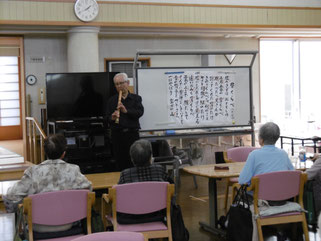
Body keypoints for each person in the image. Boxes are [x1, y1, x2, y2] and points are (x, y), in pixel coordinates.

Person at [3, 134, 92, 233]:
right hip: (67, 224)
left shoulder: (33, 172)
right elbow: (88, 191)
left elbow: (11, 197)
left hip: (38, 227)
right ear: (63, 153)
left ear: (45, 152)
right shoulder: (73, 170)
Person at [117, 139, 173, 224]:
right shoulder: (159, 170)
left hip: (131, 218)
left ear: (132, 158)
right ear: (151, 157)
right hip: (157, 216)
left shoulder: (125, 174)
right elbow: (171, 188)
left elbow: (119, 195)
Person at [106, 73, 144, 171]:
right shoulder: (111, 100)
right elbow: (107, 118)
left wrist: (126, 111)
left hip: (132, 134)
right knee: (120, 162)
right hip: (117, 136)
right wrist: (112, 118)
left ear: (127, 83)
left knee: (135, 160)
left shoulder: (136, 98)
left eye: (121, 83)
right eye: (116, 84)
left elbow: (139, 113)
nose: (119, 86)